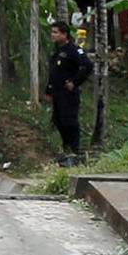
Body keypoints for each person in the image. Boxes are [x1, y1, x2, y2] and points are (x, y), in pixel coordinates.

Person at [46, 22, 91, 163]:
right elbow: (54, 72)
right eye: (52, 32)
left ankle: (75, 152)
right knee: (58, 120)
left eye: (56, 32)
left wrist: (74, 82)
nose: (53, 35)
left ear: (64, 34)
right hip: (57, 93)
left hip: (68, 94)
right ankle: (66, 150)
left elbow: (87, 66)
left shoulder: (73, 50)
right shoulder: (58, 50)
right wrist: (48, 90)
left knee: (69, 121)